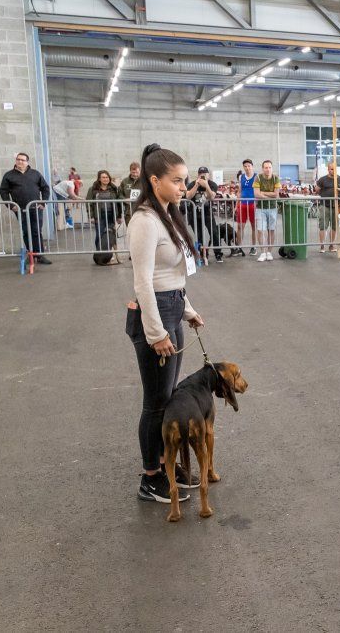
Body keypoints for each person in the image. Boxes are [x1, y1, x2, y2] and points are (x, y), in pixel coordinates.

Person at [126, 143, 206, 504]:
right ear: (154, 180)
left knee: (167, 395)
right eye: (176, 181)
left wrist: (187, 310)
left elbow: (172, 275)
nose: (181, 187)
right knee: (156, 402)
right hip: (153, 313)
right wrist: (155, 331)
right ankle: (151, 477)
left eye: (184, 181)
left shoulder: (169, 215)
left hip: (171, 306)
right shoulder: (144, 221)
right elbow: (143, 281)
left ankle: (164, 465)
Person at [0, 151, 52, 265]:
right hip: (20, 209)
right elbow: (3, 192)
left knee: (36, 231)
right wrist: (11, 205)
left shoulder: (35, 174)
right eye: (18, 159)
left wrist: (43, 203)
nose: (20, 161)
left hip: (35, 208)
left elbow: (45, 188)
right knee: (26, 231)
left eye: (22, 160)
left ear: (27, 162)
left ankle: (40, 255)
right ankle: (31, 254)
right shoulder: (9, 175)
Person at [185, 166, 222, 263]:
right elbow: (188, 196)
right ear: (198, 175)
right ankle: (202, 255)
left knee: (214, 233)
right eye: (201, 174)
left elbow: (212, 197)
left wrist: (207, 186)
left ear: (208, 175)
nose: (203, 176)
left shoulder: (212, 184)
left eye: (205, 174)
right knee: (199, 236)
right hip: (194, 214)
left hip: (207, 213)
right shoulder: (192, 184)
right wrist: (196, 185)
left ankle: (218, 253)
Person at [86, 169, 123, 263]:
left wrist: (119, 216)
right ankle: (100, 255)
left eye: (107, 177)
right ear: (99, 179)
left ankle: (109, 255)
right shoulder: (93, 189)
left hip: (112, 215)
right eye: (103, 177)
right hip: (99, 216)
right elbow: (88, 203)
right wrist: (90, 216)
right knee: (99, 235)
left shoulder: (114, 189)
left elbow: (118, 203)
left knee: (111, 236)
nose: (105, 179)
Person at [252, 160, 281, 262]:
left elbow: (276, 195)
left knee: (271, 230)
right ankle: (263, 252)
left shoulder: (276, 178)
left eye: (269, 167)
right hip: (260, 208)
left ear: (272, 168)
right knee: (260, 230)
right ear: (262, 168)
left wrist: (263, 193)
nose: (268, 169)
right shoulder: (258, 178)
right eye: (266, 167)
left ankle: (269, 252)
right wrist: (269, 194)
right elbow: (256, 194)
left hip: (273, 208)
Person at [315, 161, 340, 254]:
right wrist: (321, 192)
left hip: (336, 206)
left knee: (334, 226)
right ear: (328, 169)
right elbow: (317, 189)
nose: (333, 170)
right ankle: (322, 245)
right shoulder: (322, 179)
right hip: (324, 205)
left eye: (335, 169)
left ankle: (332, 245)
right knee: (323, 225)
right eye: (331, 169)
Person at [232, 159, 257, 257]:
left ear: (252, 166)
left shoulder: (256, 177)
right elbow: (240, 191)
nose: (247, 168)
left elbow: (258, 191)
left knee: (253, 227)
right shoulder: (241, 177)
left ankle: (253, 247)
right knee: (239, 227)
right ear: (243, 167)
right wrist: (236, 205)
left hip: (253, 204)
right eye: (245, 166)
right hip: (242, 205)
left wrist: (257, 204)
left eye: (249, 166)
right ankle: (239, 247)